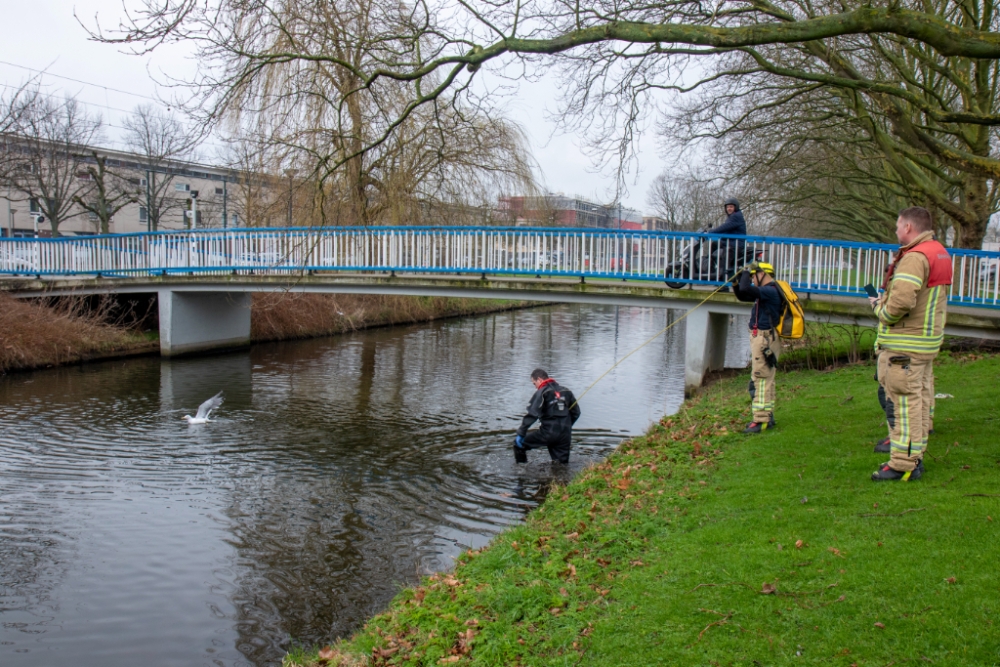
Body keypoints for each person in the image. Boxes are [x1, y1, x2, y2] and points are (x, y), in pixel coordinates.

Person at [869, 206, 951, 482]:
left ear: (908, 228)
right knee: (917, 401)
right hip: (925, 341)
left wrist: (881, 311)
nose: (895, 230)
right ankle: (914, 457)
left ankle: (903, 464)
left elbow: (902, 302)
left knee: (902, 403)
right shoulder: (937, 251)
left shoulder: (915, 258)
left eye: (897, 225)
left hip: (906, 344)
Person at [733, 261, 783, 433]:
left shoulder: (770, 290)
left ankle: (761, 421)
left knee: (761, 379)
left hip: (764, 339)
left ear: (762, 274)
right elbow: (742, 294)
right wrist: (736, 280)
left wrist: (746, 270)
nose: (752, 279)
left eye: (754, 276)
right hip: (763, 338)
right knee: (764, 378)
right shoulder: (767, 292)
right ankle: (767, 416)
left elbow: (747, 289)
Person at [514, 369, 581, 464]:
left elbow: (532, 414)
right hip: (565, 435)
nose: (535, 387)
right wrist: (566, 426)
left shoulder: (542, 392)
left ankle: (521, 471)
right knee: (561, 464)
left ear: (539, 380)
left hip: (548, 433)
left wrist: (521, 433)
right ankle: (563, 477)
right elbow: (576, 413)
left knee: (518, 445)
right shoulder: (566, 391)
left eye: (534, 383)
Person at [705, 197, 748, 281]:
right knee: (714, 244)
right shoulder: (732, 217)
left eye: (731, 207)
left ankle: (724, 283)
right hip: (730, 242)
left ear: (736, 207)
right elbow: (727, 230)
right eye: (727, 207)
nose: (729, 208)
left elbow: (724, 227)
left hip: (735, 244)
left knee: (725, 260)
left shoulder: (736, 216)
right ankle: (711, 267)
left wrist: (711, 232)